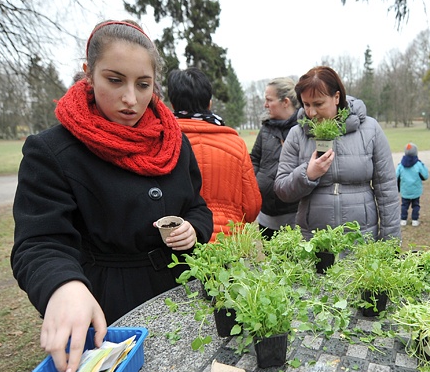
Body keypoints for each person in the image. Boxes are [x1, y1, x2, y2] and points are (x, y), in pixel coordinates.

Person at [12, 20, 214, 372]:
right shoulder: (53, 151)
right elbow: (40, 242)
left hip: (182, 290)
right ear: (88, 74)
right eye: (115, 80)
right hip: (111, 304)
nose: (130, 99)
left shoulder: (174, 141)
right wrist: (63, 285)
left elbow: (196, 205)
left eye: (143, 84)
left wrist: (193, 228)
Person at [274, 66, 400, 241]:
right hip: (315, 242)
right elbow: (282, 189)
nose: (311, 112)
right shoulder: (296, 134)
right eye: (306, 104)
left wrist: (390, 243)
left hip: (362, 240)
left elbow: (387, 190)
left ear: (336, 97)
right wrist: (308, 174)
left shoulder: (370, 129)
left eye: (318, 104)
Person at [166, 67, 261, 242]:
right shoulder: (236, 143)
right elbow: (252, 206)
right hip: (230, 243)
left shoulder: (164, 143)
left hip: (181, 241)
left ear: (172, 104)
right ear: (209, 103)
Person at [250, 77, 301, 239]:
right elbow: (255, 159)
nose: (265, 105)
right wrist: (257, 185)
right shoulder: (266, 129)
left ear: (285, 102)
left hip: (294, 216)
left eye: (269, 100)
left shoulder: (303, 130)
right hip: (266, 215)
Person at [396, 142, 429, 227]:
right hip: (416, 190)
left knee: (404, 205)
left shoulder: (400, 165)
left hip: (405, 190)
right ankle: (415, 220)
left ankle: (403, 220)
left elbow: (396, 176)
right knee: (416, 205)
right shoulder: (418, 164)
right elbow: (425, 175)